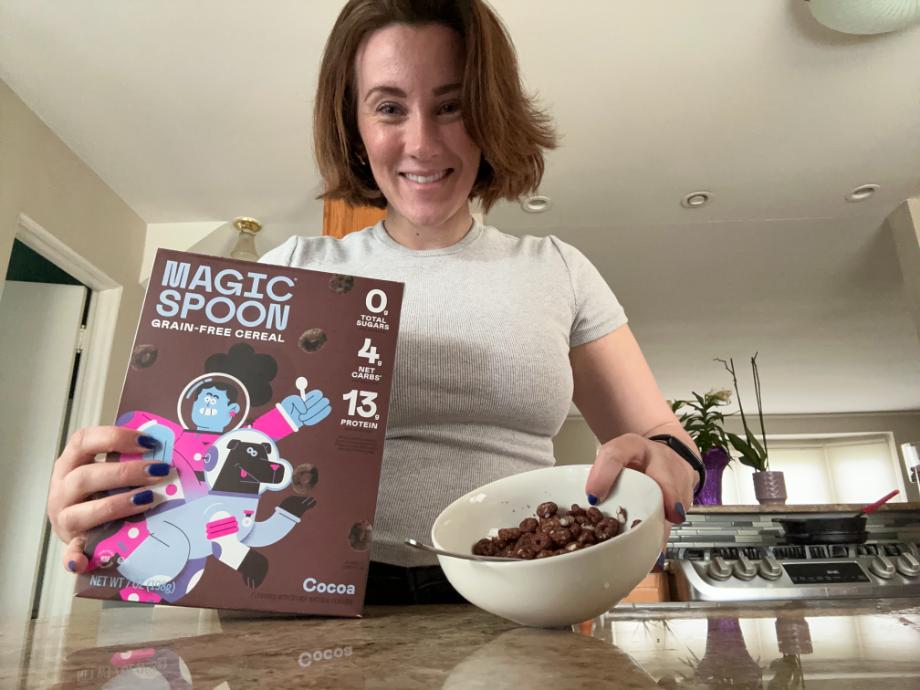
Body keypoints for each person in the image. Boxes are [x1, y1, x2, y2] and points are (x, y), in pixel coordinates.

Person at [46, 0, 700, 605]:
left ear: (489, 114)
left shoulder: (560, 270)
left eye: (451, 106)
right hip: (307, 612)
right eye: (389, 108)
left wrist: (668, 462)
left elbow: (663, 437)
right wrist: (101, 501)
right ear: (355, 126)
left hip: (519, 599)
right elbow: (201, 447)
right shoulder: (293, 271)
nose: (422, 142)